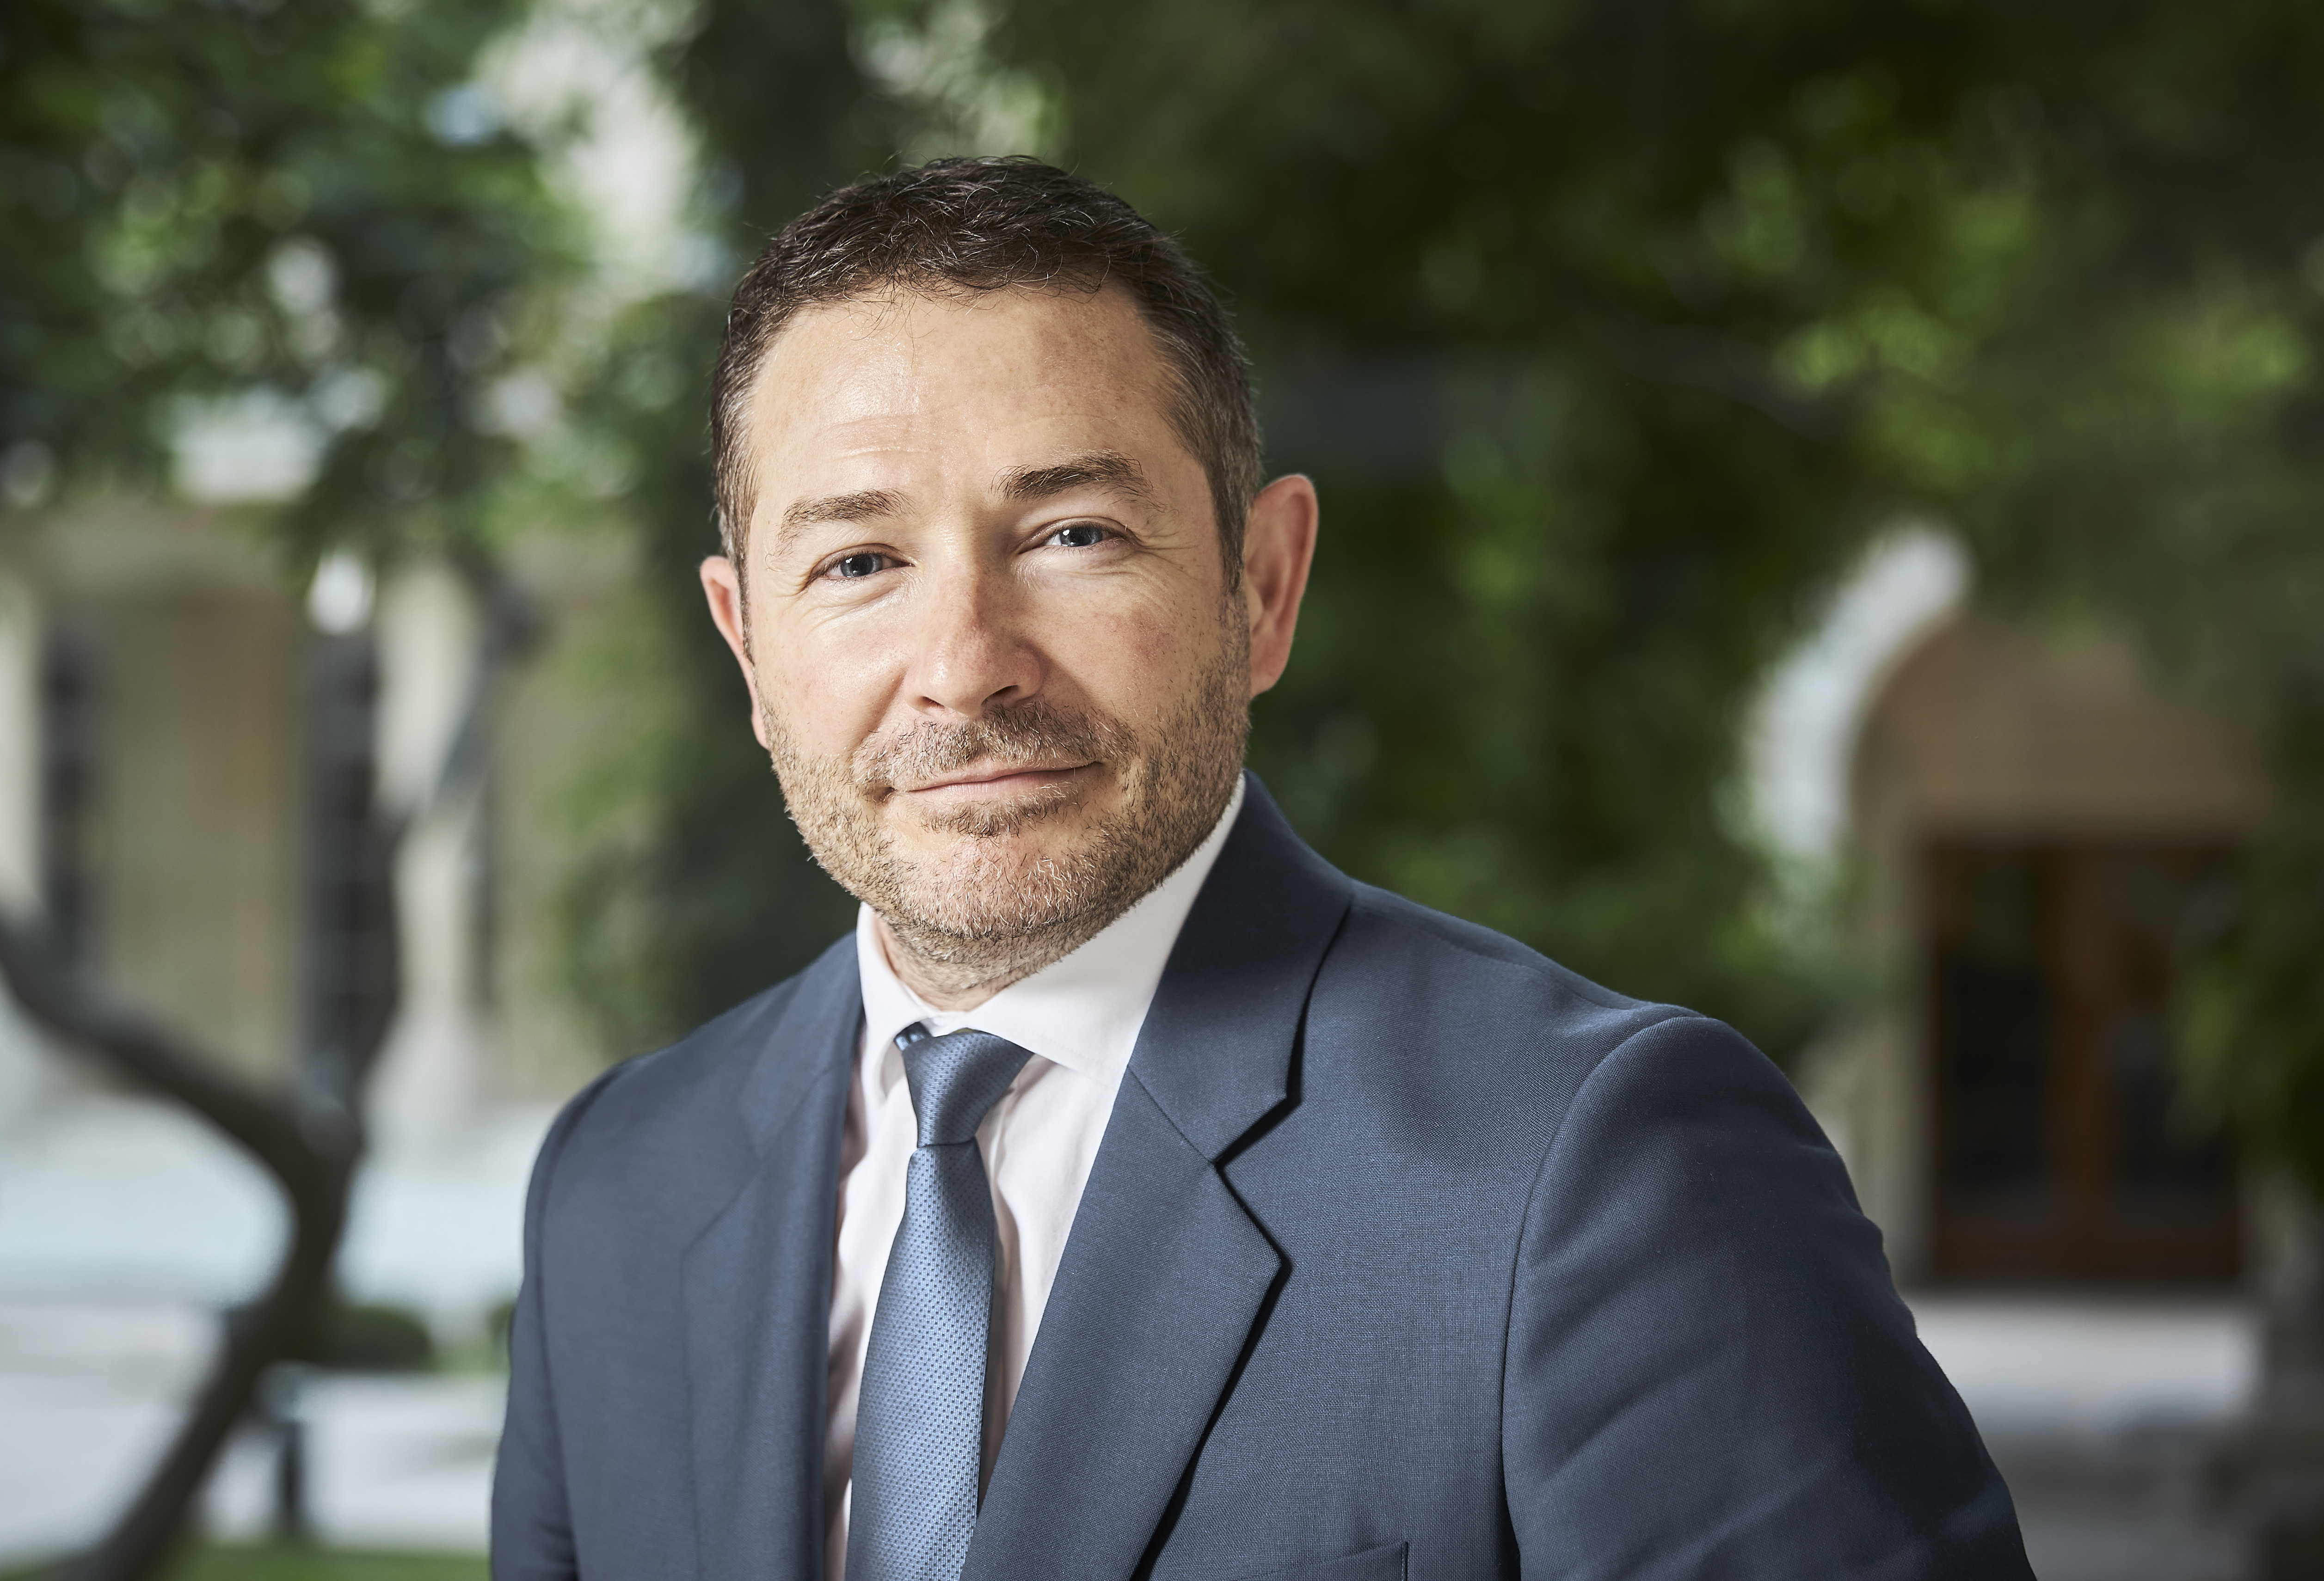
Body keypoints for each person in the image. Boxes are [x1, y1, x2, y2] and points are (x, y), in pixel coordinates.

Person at [491, 156, 2031, 1581]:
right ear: (747, 647)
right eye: (857, 563)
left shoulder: (1607, 1170)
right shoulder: (620, 1184)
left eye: (1074, 534)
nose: (964, 669)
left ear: (1264, 584)